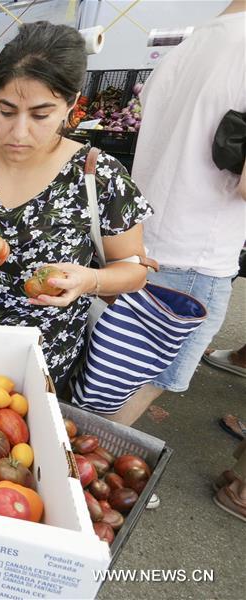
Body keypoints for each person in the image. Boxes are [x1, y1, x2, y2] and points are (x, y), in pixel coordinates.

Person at [0, 21, 153, 394]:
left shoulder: (98, 175)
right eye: (6, 111)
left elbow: (134, 272)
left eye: (40, 115)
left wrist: (90, 280)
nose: (19, 133)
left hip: (43, 362)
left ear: (70, 105)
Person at [103, 1, 246, 427]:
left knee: (114, 368)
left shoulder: (190, 44)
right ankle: (83, 474)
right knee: (146, 379)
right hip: (197, 253)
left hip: (141, 239)